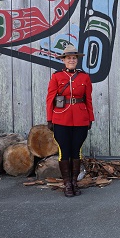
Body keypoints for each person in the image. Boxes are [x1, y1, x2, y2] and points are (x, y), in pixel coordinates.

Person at [46, 44, 94, 197]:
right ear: (64, 60)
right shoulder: (56, 77)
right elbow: (50, 99)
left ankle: (74, 182)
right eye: (68, 58)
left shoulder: (84, 77)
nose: (71, 60)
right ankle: (67, 183)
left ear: (77, 60)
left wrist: (90, 118)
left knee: (76, 151)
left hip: (80, 118)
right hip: (61, 118)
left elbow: (88, 99)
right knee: (64, 151)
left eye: (74, 58)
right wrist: (49, 118)